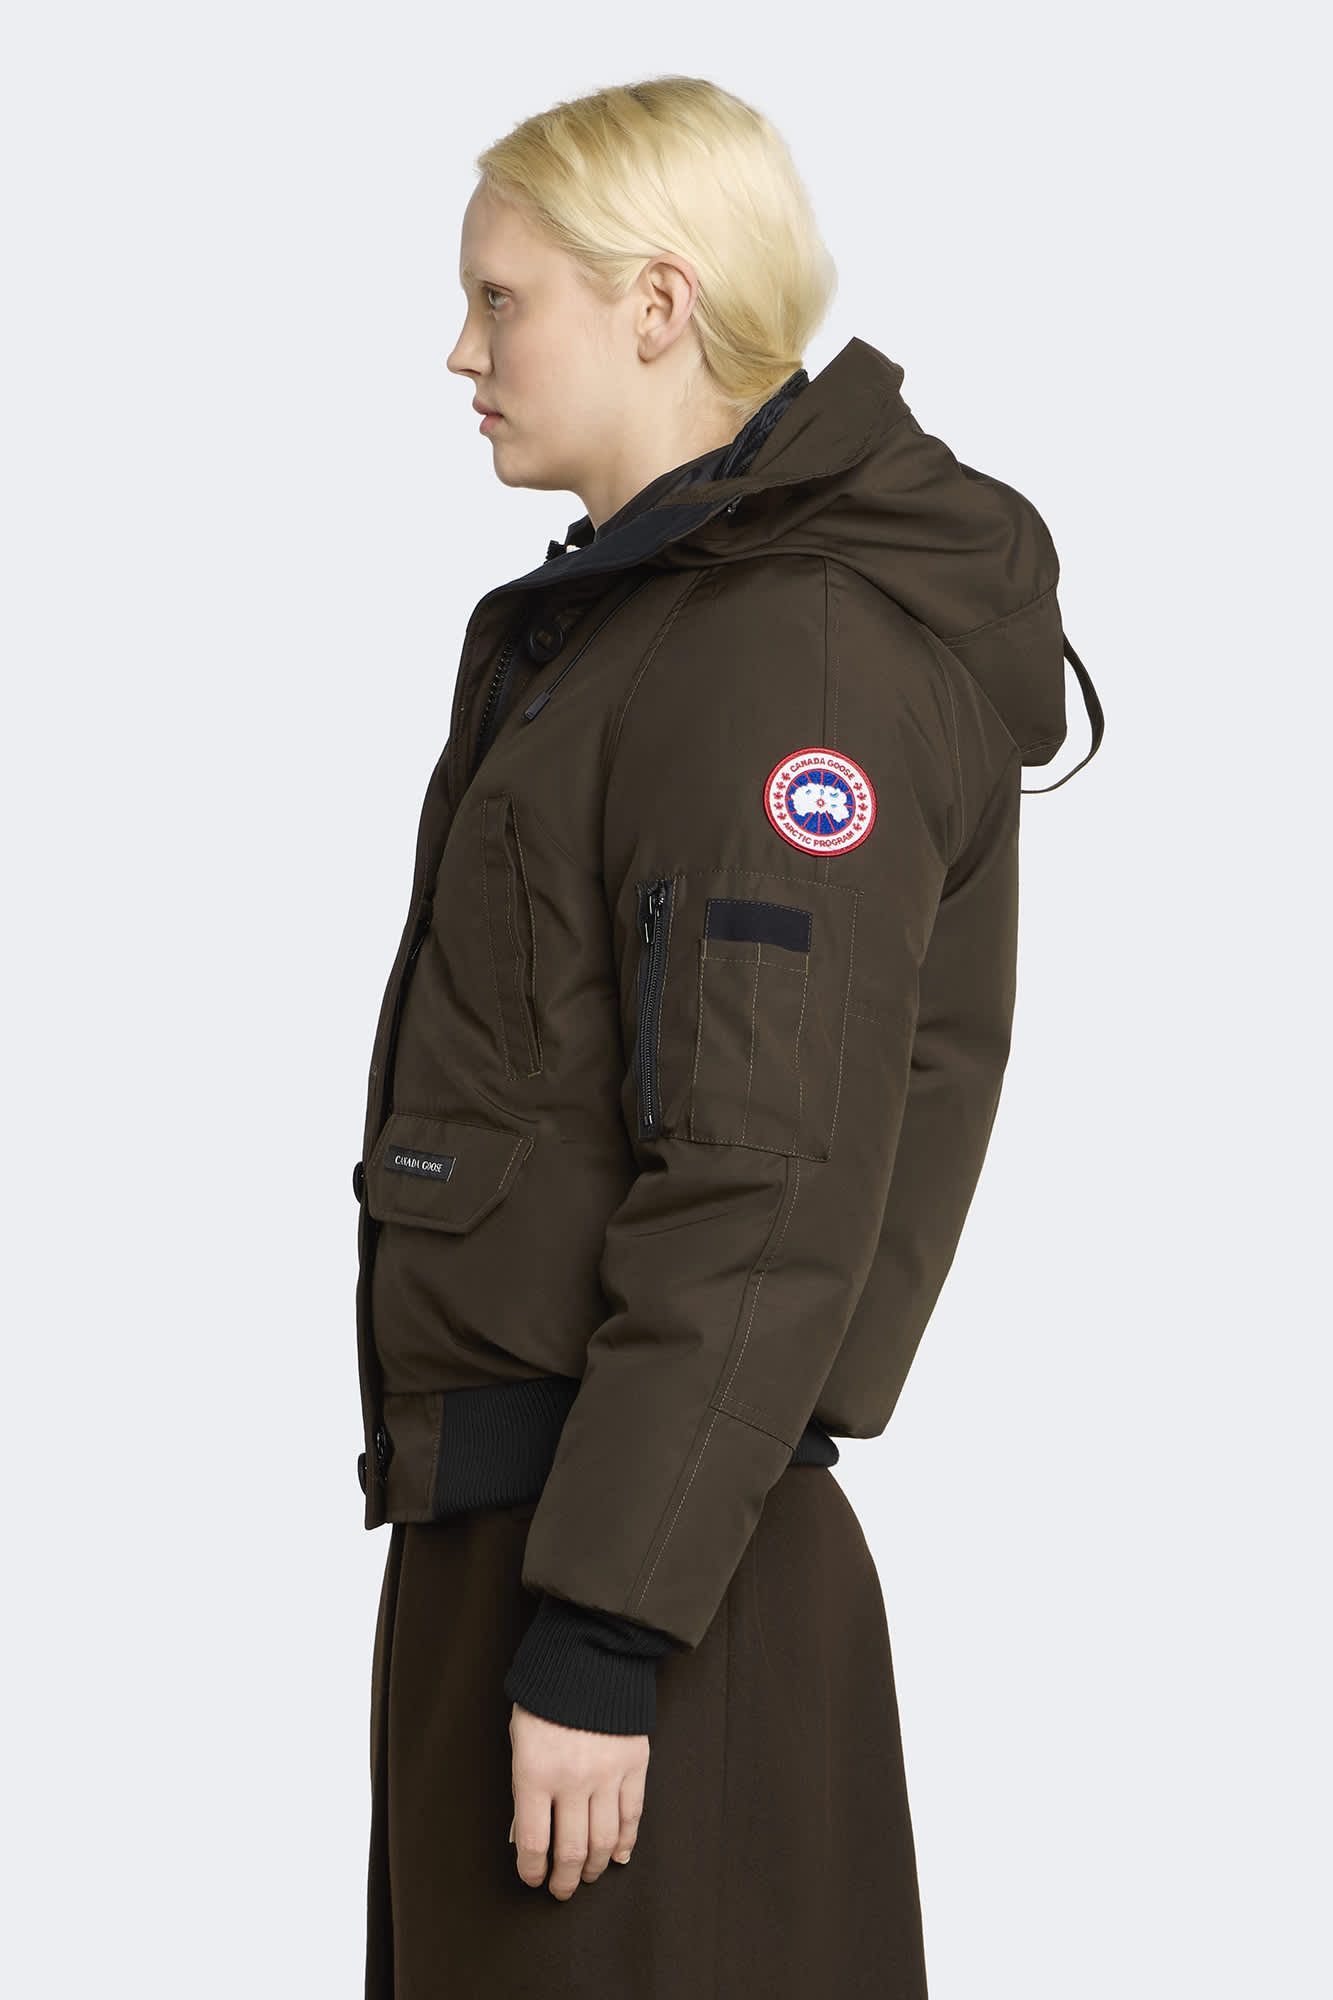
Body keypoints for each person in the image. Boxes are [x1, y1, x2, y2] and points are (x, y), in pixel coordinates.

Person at [354, 73, 1101, 2000]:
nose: (460, 352)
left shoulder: (787, 659)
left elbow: (766, 1184)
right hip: (555, 1534)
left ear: (657, 305)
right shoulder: (646, 624)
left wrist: (604, 1633)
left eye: (498, 299)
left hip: (650, 1582)